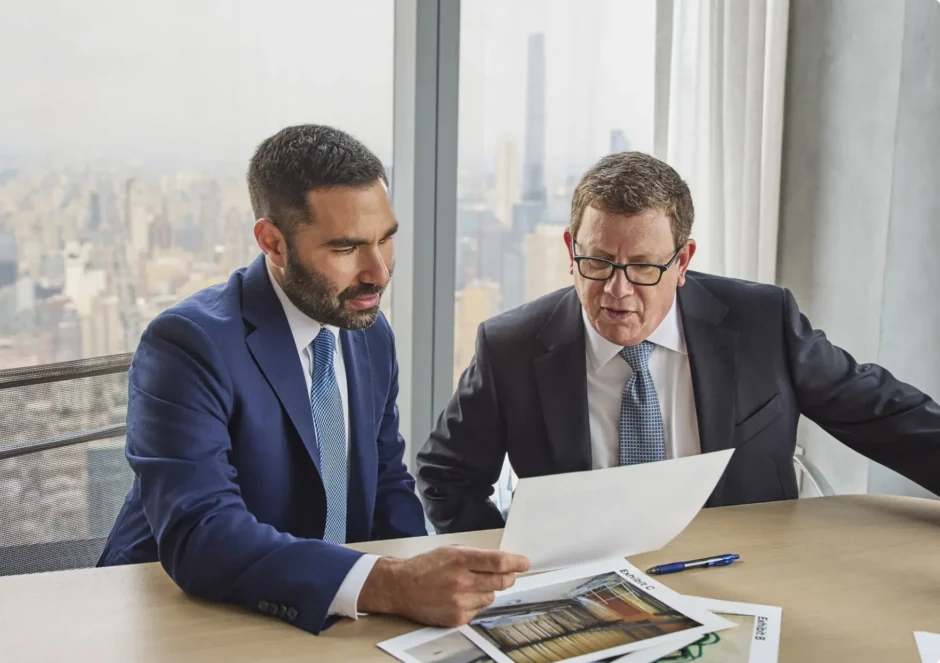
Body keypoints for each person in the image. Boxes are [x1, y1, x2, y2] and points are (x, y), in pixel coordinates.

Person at [98, 125, 529, 634]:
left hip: (336, 617)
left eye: (386, 239)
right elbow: (202, 533)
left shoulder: (368, 333)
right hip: (183, 617)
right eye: (346, 249)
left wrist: (425, 589)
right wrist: (393, 584)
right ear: (273, 243)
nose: (378, 272)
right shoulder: (187, 346)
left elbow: (387, 485)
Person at [417, 151, 940, 534]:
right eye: (597, 262)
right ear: (571, 249)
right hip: (584, 594)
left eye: (644, 267)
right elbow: (447, 475)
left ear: (683, 261)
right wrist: (507, 566)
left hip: (750, 574)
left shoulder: (761, 322)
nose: (617, 291)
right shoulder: (511, 346)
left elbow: (882, 414)